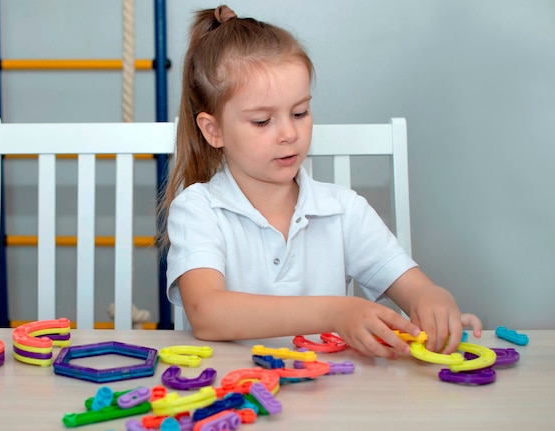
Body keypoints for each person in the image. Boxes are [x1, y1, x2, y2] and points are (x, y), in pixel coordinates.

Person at [161, 4, 481, 358]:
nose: (289, 133)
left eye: (300, 113)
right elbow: (207, 313)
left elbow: (416, 289)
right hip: (232, 397)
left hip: (332, 399)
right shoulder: (197, 209)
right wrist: (334, 312)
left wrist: (434, 300)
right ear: (214, 129)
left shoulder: (344, 210)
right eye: (262, 121)